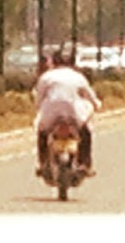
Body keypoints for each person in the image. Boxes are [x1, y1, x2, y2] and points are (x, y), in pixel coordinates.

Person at [33, 46, 102, 177]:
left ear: (54, 61)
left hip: (51, 113)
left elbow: (39, 98)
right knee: (85, 133)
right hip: (73, 112)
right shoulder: (78, 77)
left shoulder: (46, 77)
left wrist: (38, 107)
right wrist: (97, 104)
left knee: (42, 133)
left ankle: (42, 163)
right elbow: (90, 96)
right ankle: (85, 164)